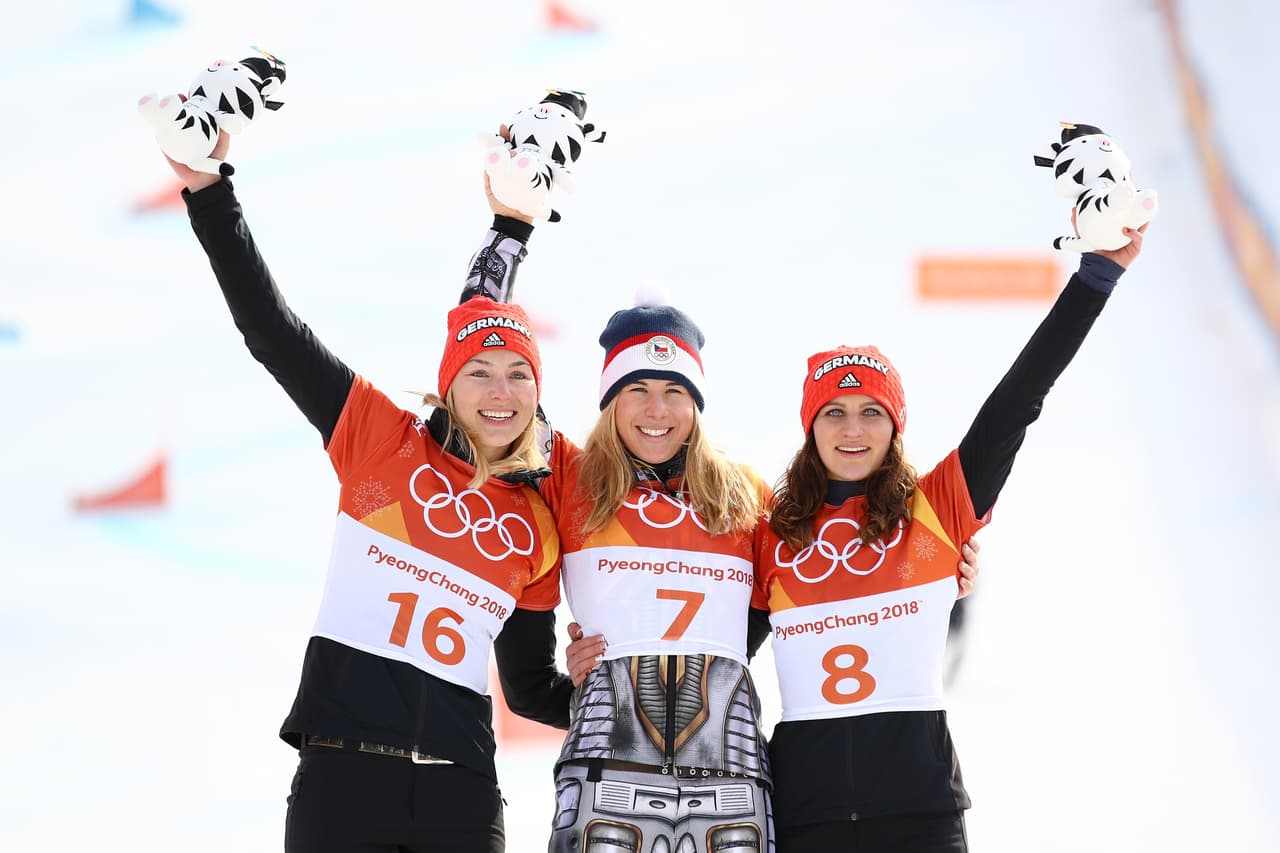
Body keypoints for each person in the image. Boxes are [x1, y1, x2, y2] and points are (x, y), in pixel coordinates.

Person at [468, 177, 980, 853]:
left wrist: (950, 573)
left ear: (697, 402)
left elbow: (846, 562)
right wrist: (509, 227)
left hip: (730, 783)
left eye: (675, 391)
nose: (657, 410)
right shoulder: (571, 478)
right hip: (609, 783)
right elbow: (479, 361)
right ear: (608, 401)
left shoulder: (747, 501)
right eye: (637, 390)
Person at [163, 129, 572, 853]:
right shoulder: (382, 439)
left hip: (463, 795)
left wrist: (613, 699)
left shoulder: (538, 517)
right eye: (479, 372)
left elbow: (533, 688)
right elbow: (272, 331)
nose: (499, 391)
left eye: (519, 374)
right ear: (448, 386)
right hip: (342, 782)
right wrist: (207, 189)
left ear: (538, 394)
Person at [753, 227, 1148, 852]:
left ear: (895, 425)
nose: (853, 429)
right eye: (834, 412)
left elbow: (1018, 401)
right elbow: (710, 645)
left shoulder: (936, 509)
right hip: (807, 817)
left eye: (871, 412)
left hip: (921, 814)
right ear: (811, 426)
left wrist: (1095, 278)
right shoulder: (771, 534)